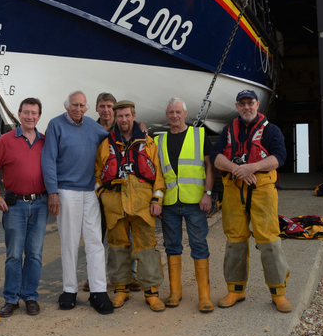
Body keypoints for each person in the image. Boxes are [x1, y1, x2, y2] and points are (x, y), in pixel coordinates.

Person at [213, 89, 291, 313]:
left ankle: (279, 293)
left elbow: (279, 158)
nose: (246, 107)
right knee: (235, 240)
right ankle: (236, 289)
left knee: (269, 239)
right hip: (233, 191)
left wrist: (253, 167)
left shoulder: (272, 130)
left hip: (262, 191)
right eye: (242, 103)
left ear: (258, 105)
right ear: (237, 106)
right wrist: (238, 169)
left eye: (250, 103)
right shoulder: (227, 131)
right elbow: (216, 156)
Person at [41, 90, 113, 314]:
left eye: (82, 105)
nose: (78, 109)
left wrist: (138, 129)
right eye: (75, 105)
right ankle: (69, 290)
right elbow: (48, 159)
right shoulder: (55, 125)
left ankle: (98, 291)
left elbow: (113, 140)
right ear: (67, 106)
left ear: (87, 108)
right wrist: (52, 192)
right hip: (66, 190)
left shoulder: (93, 126)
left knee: (95, 242)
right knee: (69, 242)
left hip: (90, 191)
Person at [95, 101, 166, 311]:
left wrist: (157, 200)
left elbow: (159, 176)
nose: (123, 120)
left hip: (143, 206)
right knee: (117, 249)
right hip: (115, 206)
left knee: (146, 249)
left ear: (134, 116)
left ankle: (151, 293)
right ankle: (121, 290)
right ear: (115, 118)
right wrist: (103, 195)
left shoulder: (149, 143)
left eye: (127, 115)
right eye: (120, 116)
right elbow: (97, 173)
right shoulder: (105, 144)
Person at [157, 97, 215, 313]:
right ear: (167, 115)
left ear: (185, 114)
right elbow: (157, 172)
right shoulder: (159, 140)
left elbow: (210, 167)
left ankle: (204, 295)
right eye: (171, 112)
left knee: (199, 245)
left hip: (195, 202)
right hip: (170, 203)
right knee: (172, 246)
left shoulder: (199, 135)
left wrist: (208, 193)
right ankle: (175, 291)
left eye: (178, 112)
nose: (174, 115)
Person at [0, 97, 47, 318]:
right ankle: (11, 298)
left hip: (41, 203)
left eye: (34, 113)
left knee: (34, 254)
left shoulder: (46, 141)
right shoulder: (5, 141)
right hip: (14, 205)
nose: (30, 116)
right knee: (14, 254)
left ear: (39, 116)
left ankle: (30, 296)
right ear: (19, 114)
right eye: (26, 112)